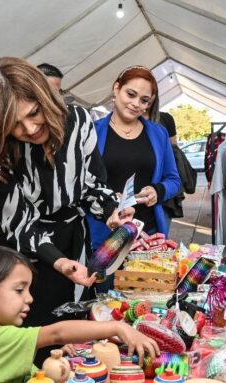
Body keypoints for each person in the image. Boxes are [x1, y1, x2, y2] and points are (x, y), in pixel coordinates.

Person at [0, 57, 133, 365]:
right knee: (32, 343)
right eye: (14, 125)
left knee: (70, 344)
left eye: (33, 113)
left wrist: (112, 210)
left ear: (44, 97)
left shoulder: (79, 122)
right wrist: (58, 261)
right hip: (18, 256)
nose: (29, 128)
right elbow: (19, 224)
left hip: (70, 240)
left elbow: (91, 186)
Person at [0, 246, 159, 383]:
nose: (29, 298)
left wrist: (55, 360)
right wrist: (117, 328)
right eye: (19, 290)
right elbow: (58, 332)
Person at [88, 66, 181, 248]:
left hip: (148, 235)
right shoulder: (92, 132)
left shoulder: (158, 133)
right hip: (103, 234)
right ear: (116, 89)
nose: (136, 103)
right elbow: (82, 184)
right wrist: (107, 200)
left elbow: (174, 180)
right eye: (130, 94)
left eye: (144, 100)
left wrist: (158, 191)